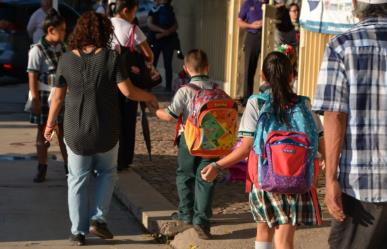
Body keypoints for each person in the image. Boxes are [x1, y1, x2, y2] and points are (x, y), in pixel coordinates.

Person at [43, 11, 158, 246]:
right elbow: (127, 91)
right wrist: (148, 96)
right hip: (106, 130)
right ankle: (99, 219)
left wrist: (49, 124)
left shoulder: (65, 59)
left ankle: (78, 233)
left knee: (77, 179)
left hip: (75, 131)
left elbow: (56, 98)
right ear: (105, 32)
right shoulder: (111, 58)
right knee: (107, 173)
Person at [201, 52, 325, 249]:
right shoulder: (304, 104)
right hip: (297, 175)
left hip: (263, 176)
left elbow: (246, 147)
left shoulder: (256, 102)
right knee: (284, 239)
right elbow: (319, 141)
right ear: (292, 76)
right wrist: (330, 166)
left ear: (262, 76)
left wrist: (217, 165)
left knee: (263, 230)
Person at [313, 1, 387, 248]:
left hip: (360, 182)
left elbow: (334, 115)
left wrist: (330, 178)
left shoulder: (341, 45)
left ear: (357, 5)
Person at [156, 50, 218, 240]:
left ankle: (185, 214)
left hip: (189, 140)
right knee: (206, 178)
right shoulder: (216, 89)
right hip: (212, 141)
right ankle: (202, 220)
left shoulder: (185, 90)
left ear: (185, 69)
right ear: (207, 67)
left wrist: (155, 110)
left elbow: (170, 115)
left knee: (185, 176)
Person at [110, 0, 154, 171]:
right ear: (126, 10)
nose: (134, 16)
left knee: (111, 120)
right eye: (134, 12)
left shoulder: (104, 25)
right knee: (128, 121)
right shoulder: (132, 29)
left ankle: (110, 157)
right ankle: (124, 159)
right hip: (129, 81)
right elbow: (149, 55)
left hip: (107, 80)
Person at [27, 8, 67, 183]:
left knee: (64, 134)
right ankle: (42, 167)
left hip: (62, 96)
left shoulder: (64, 48)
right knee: (44, 133)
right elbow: (32, 76)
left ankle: (69, 167)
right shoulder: (37, 50)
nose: (65, 33)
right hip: (44, 96)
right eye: (62, 30)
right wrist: (34, 99)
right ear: (51, 30)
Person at [238, 0, 269, 105]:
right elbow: (239, 22)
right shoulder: (249, 3)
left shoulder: (270, 3)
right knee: (249, 69)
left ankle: (267, 97)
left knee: (268, 68)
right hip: (253, 36)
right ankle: (247, 99)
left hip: (268, 36)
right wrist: (252, 25)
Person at [147, 0, 181, 91]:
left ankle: (149, 86)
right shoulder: (169, 10)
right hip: (168, 40)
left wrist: (162, 33)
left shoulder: (154, 10)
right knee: (167, 64)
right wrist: (167, 32)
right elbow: (176, 25)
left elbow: (149, 24)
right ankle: (168, 87)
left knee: (153, 63)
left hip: (157, 40)